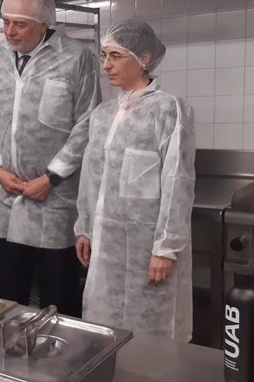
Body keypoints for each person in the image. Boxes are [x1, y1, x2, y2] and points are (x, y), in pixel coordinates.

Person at [0, 0, 101, 315]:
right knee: (11, 295)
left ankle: (63, 362)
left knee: (57, 297)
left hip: (55, 201)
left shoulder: (76, 58)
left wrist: (52, 176)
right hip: (10, 196)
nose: (10, 31)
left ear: (44, 24)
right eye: (5, 22)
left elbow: (88, 123)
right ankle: (12, 358)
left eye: (20, 24)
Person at [74, 19, 195, 341]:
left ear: (143, 58)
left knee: (152, 334)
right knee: (105, 328)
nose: (106, 65)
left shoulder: (169, 109)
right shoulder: (102, 115)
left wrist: (165, 250)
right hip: (106, 246)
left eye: (115, 56)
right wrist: (85, 227)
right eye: (103, 56)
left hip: (148, 249)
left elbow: (178, 181)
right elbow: (91, 175)